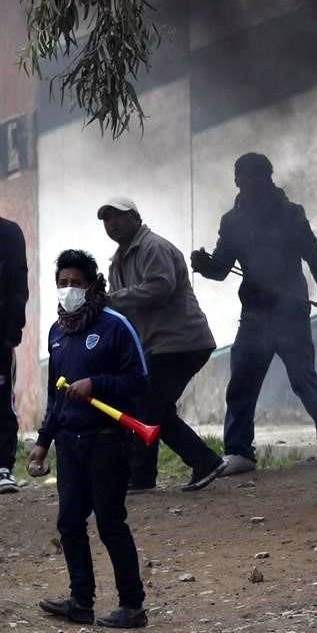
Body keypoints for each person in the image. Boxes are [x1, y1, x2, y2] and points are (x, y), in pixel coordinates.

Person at [191, 153, 317, 475]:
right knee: (242, 382)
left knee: (303, 376)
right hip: (254, 313)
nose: (248, 183)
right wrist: (205, 266)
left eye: (255, 176)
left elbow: (315, 253)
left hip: (290, 310)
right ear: (236, 181)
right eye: (242, 177)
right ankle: (239, 452)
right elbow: (223, 268)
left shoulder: (291, 214)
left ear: (268, 177)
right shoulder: (232, 221)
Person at [28, 250, 148, 628]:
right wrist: (43, 440)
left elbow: (139, 381)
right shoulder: (57, 333)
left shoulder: (115, 326)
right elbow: (55, 395)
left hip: (107, 441)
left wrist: (96, 384)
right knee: (69, 523)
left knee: (111, 524)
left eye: (75, 284)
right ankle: (81, 601)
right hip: (69, 444)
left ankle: (132, 606)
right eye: (62, 284)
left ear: (93, 285)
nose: (68, 290)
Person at [99, 197, 226, 492]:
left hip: (181, 343)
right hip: (158, 347)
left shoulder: (153, 247)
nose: (112, 224)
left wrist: (112, 299)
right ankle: (146, 475)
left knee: (148, 407)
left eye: (117, 216)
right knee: (153, 409)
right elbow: (121, 308)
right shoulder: (118, 260)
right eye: (106, 220)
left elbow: (160, 287)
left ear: (135, 217)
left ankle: (200, 462)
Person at [0, 215, 28, 493]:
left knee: (1, 400)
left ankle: (2, 467)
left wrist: (12, 330)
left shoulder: (8, 233)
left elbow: (18, 282)